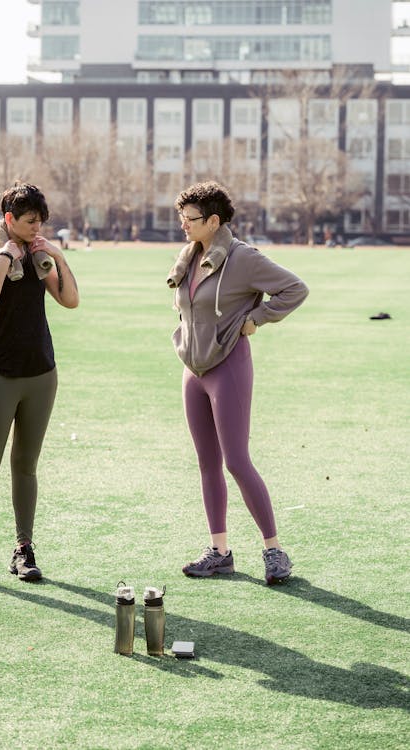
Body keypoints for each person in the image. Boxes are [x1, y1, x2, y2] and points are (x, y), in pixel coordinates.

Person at [167, 181, 309, 584]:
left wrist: (256, 319)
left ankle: (274, 550)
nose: (183, 224)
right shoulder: (189, 256)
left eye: (190, 218)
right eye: (181, 217)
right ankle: (220, 551)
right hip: (193, 372)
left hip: (229, 368)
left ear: (214, 221)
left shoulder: (243, 258)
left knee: (237, 462)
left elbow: (294, 288)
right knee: (207, 464)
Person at [0, 182, 79, 585]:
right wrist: (6, 257)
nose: (37, 226)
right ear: (9, 219)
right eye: (29, 221)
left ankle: (23, 549)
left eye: (41, 220)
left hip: (41, 373)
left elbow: (71, 300)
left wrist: (55, 255)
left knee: (26, 465)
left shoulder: (41, 254)